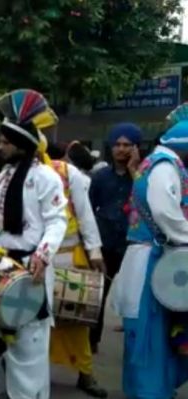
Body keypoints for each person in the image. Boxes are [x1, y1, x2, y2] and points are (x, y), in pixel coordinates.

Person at [0, 89, 67, 399]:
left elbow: (57, 220)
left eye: (6, 142)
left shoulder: (46, 178)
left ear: (22, 144)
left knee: (27, 347)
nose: (0, 146)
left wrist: (44, 255)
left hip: (28, 271)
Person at [110, 104, 188, 399]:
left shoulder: (154, 163)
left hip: (146, 256)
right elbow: (166, 214)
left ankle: (150, 388)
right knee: (150, 334)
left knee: (150, 332)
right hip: (151, 260)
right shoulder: (166, 167)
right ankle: (150, 392)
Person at [40, 138, 108, 398]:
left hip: (69, 255)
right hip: (35, 258)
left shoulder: (70, 174)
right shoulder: (22, 172)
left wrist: (94, 250)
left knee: (76, 320)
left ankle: (86, 374)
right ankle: (30, 376)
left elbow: (84, 212)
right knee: (33, 322)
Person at [89, 123, 140, 348]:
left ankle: (136, 343)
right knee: (98, 295)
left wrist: (133, 171)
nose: (121, 149)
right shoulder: (100, 177)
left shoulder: (142, 176)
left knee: (133, 296)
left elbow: (146, 200)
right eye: (117, 144)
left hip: (133, 245)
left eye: (127, 145)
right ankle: (92, 342)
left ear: (136, 148)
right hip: (106, 243)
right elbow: (89, 209)